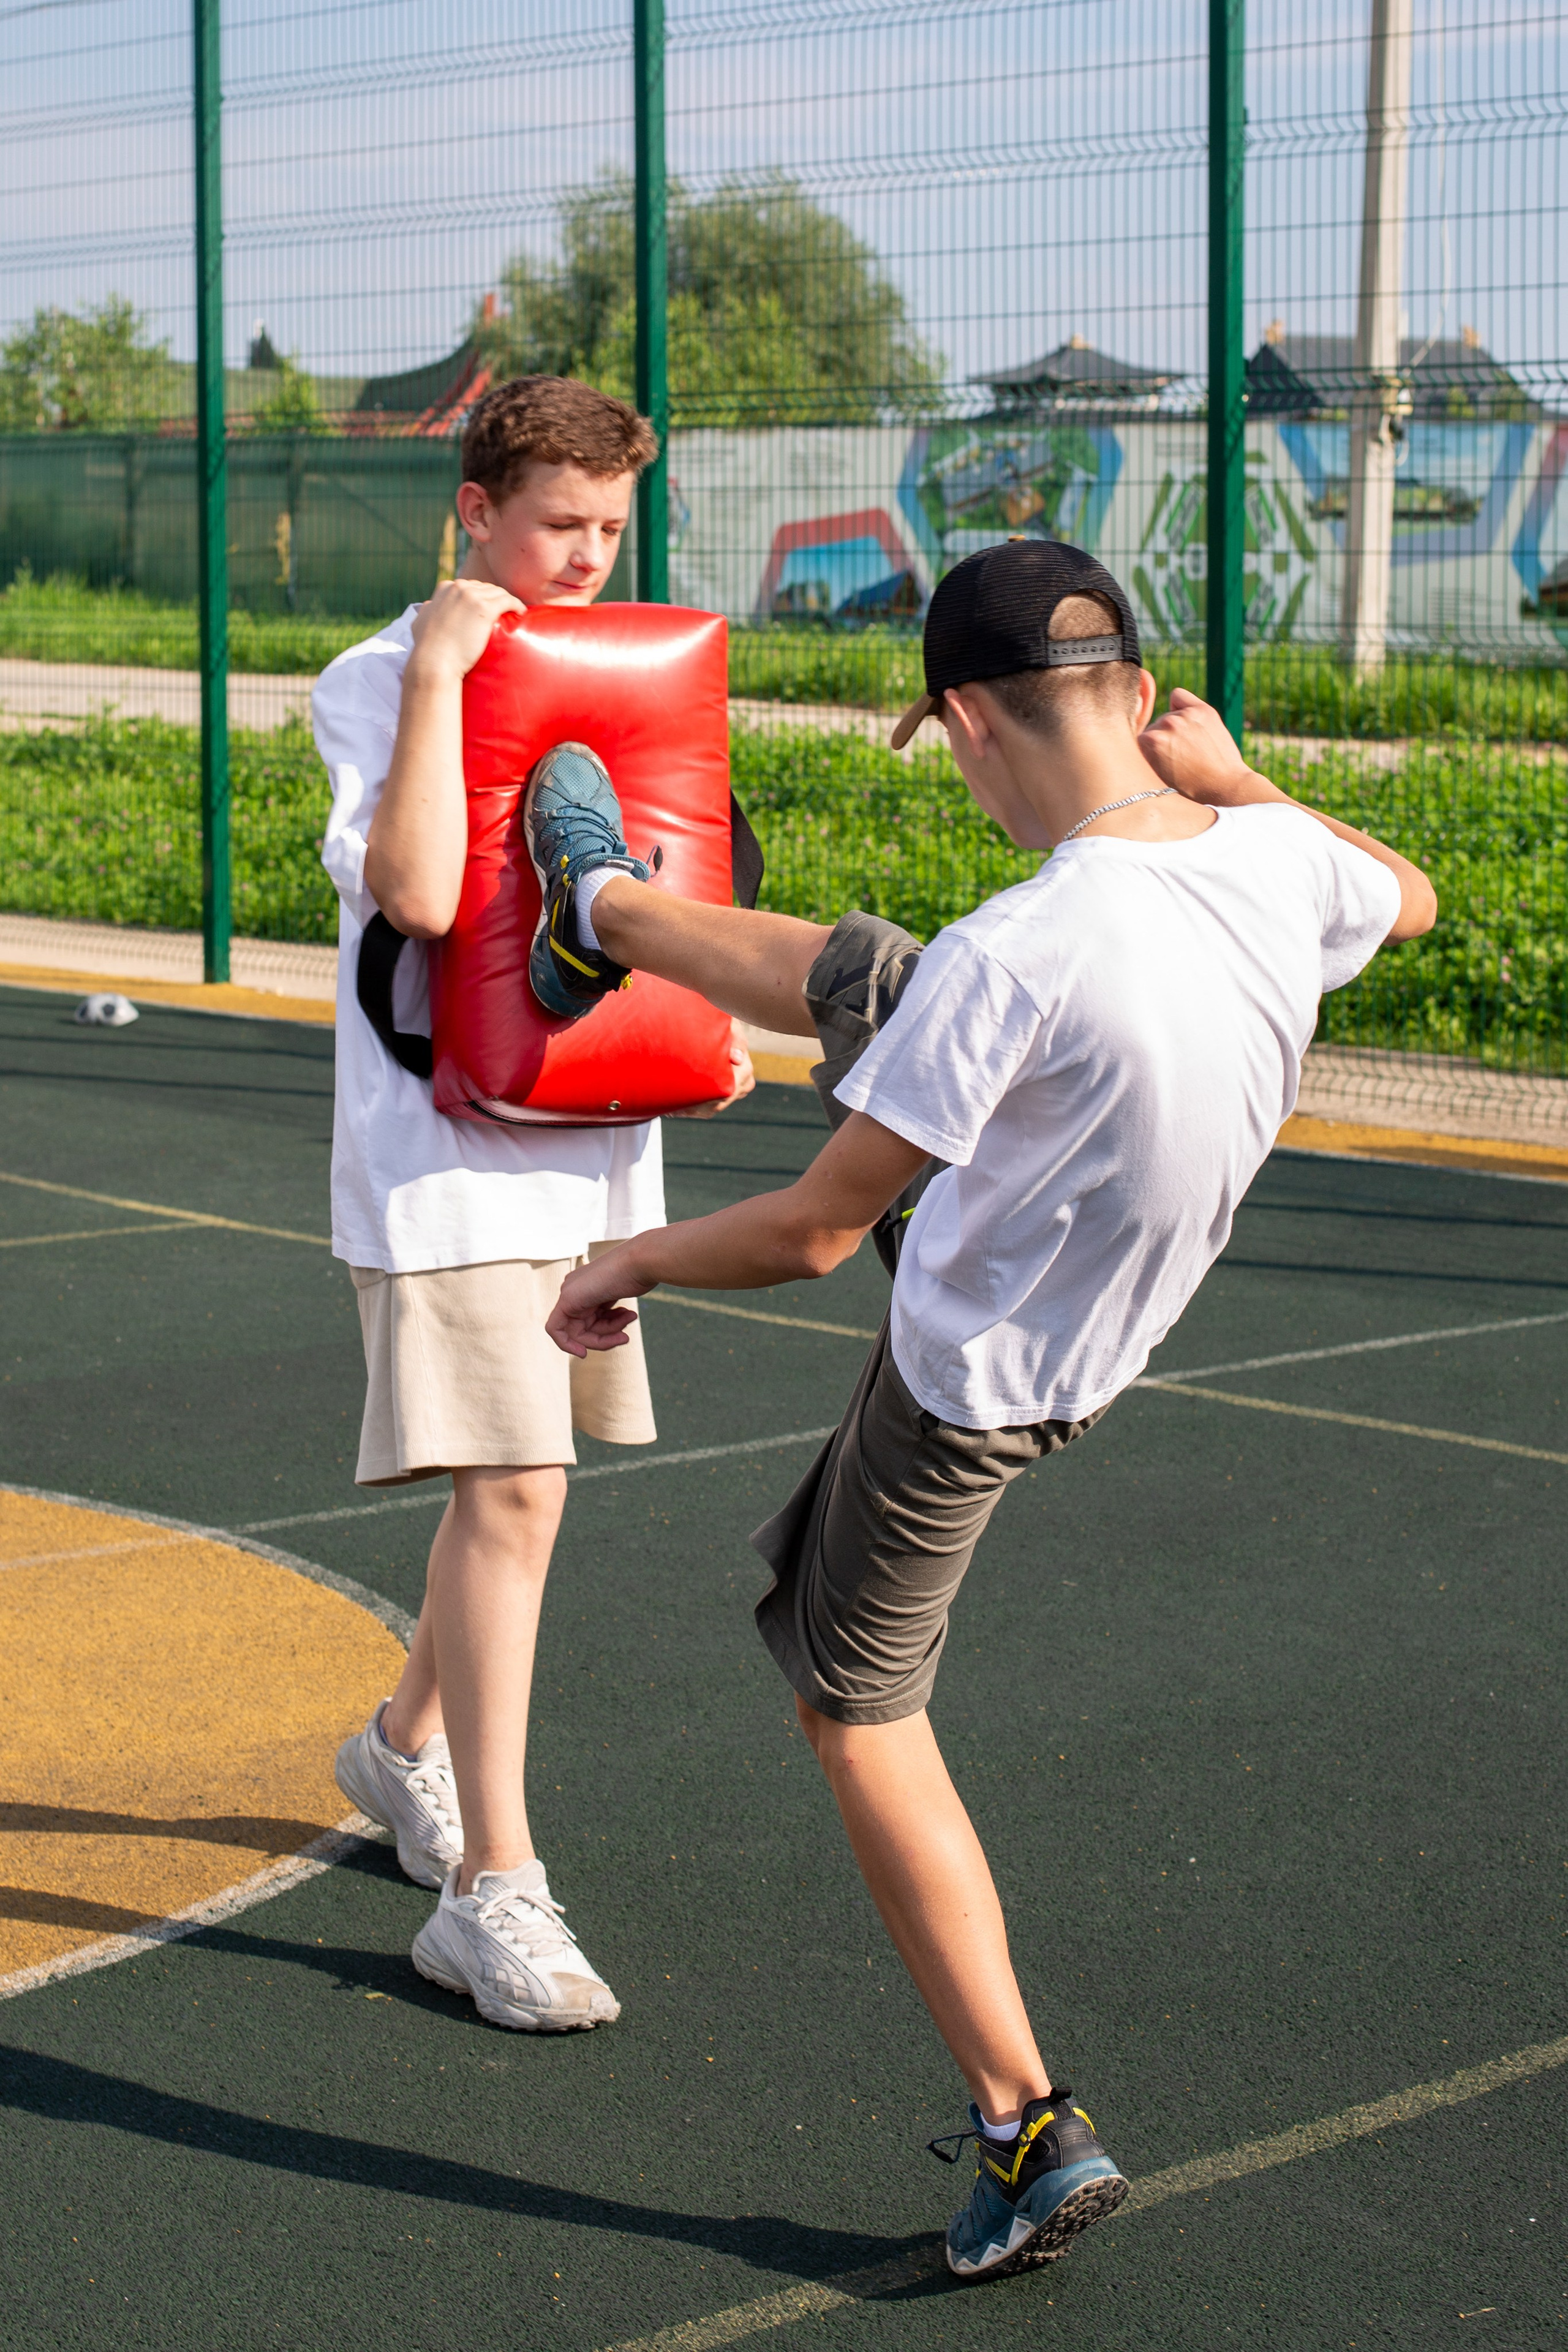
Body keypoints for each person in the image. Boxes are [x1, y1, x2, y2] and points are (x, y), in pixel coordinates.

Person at [533, 540, 1438, 2277]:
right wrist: (1244, 778)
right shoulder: (1271, 859)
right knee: (876, 971)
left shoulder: (1023, 948)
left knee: (854, 1708)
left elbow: (807, 1235)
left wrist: (625, 1258)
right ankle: (608, 912)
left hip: (975, 1377)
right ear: (1139, 703)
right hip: (1102, 1290)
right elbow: (1408, 900)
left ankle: (1026, 2125)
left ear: (963, 723)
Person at [314, 374, 752, 2033]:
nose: (585, 557)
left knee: (531, 1498)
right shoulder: (373, 682)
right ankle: (494, 1889)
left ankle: (401, 1745)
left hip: (594, 1149)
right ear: (475, 515)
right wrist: (443, 669)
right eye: (557, 523)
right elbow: (424, 894)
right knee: (515, 1499)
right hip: (442, 1161)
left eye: (611, 528)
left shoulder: (631, 675)